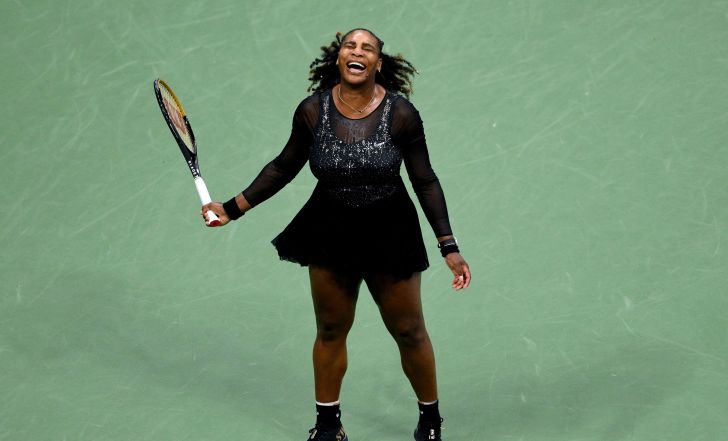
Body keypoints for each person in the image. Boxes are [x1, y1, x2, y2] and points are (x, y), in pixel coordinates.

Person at [202, 28, 471, 441]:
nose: (357, 51)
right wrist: (231, 208)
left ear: (378, 63)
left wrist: (448, 245)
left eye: (367, 48)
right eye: (350, 45)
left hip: (391, 232)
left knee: (409, 331)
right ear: (339, 57)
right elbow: (283, 167)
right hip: (329, 231)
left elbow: (425, 180)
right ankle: (329, 426)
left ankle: (430, 420)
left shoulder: (401, 114)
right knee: (330, 330)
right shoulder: (313, 110)